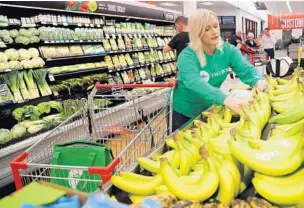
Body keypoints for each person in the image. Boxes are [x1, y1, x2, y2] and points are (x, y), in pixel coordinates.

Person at [172, 9, 264, 131]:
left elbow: (246, 70)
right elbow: (194, 82)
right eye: (207, 29)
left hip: (210, 106)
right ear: (197, 32)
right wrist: (225, 99)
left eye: (216, 26)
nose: (214, 32)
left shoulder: (228, 50)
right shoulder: (187, 56)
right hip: (185, 110)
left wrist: (258, 81)